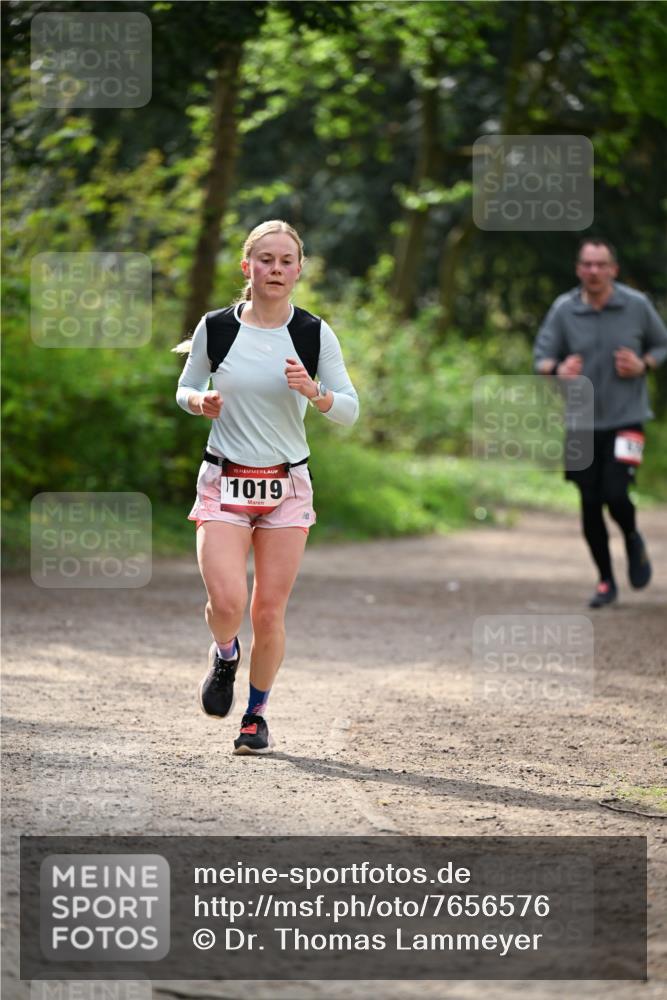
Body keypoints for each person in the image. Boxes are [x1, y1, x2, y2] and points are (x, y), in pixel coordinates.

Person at [175, 220, 359, 753]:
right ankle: (225, 654)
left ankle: (255, 716)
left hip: (286, 485)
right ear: (247, 267)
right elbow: (186, 386)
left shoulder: (313, 333)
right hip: (224, 479)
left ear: (299, 270)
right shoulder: (217, 327)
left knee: (268, 612)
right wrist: (200, 402)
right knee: (227, 601)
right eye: (265, 260)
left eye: (285, 261)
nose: (275, 270)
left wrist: (316, 392)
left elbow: (349, 409)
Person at [534, 237, 667, 608]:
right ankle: (606, 580)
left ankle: (632, 536)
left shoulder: (637, 306)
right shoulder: (564, 310)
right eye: (587, 264)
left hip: (627, 418)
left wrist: (644, 364)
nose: (594, 271)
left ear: (613, 269)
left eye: (601, 264)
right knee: (590, 501)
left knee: (616, 493)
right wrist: (558, 369)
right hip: (581, 422)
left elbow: (662, 345)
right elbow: (541, 358)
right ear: (578, 269)